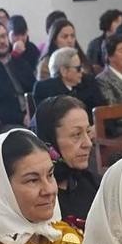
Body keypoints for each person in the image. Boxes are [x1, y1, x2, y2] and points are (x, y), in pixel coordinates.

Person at [37, 95, 100, 225]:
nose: (88, 144)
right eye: (76, 135)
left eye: (88, 132)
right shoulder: (40, 197)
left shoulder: (94, 185)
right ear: (50, 141)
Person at [31, 47, 102, 121]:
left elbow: (100, 109)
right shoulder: (44, 89)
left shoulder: (88, 81)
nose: (82, 71)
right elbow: (47, 120)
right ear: (64, 71)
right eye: (78, 68)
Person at [6, 15, 41, 94]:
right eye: (15, 35)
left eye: (23, 34)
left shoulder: (32, 48)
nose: (20, 39)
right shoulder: (4, 50)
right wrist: (15, 55)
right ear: (8, 34)